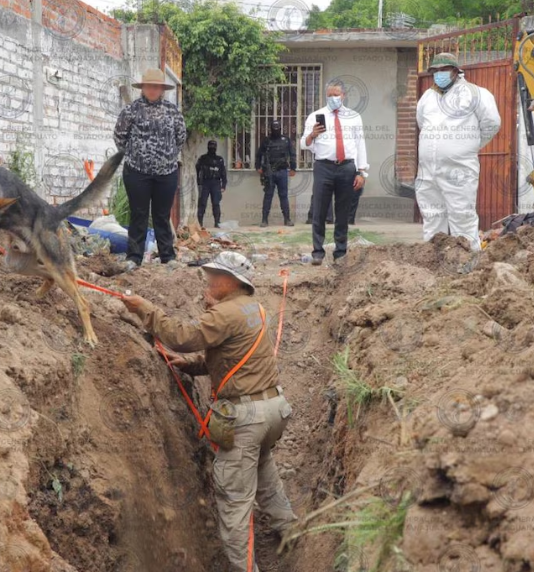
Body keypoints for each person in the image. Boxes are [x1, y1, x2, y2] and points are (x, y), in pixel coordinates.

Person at [122, 252, 297, 572]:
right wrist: (189, 365)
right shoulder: (253, 308)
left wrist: (145, 309)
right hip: (273, 409)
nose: (208, 281)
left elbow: (182, 336)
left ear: (231, 282)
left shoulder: (225, 312)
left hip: (247, 418)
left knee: (235, 501)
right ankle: (290, 530)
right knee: (263, 470)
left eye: (214, 276)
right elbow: (233, 358)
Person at [416, 52, 501, 251]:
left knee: (462, 216)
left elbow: (492, 123)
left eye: (444, 69)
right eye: (435, 71)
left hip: (459, 169)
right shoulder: (427, 97)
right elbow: (422, 124)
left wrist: (467, 147)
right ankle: (434, 260)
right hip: (427, 170)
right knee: (432, 217)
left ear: (455, 71)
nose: (439, 74)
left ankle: (467, 262)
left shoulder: (475, 94)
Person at [114, 68, 188, 271]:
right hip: (137, 172)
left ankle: (168, 257)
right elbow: (119, 137)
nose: (153, 90)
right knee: (138, 214)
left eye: (156, 87)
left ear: (162, 89)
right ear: (143, 88)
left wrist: (166, 156)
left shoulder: (172, 112)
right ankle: (134, 257)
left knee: (162, 215)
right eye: (149, 86)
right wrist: (135, 155)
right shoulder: (131, 111)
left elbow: (181, 137)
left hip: (167, 173)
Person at [300, 80, 368, 265]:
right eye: (329, 95)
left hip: (347, 167)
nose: (332, 98)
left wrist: (361, 172)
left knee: (342, 211)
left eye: (336, 95)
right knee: (319, 210)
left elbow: (360, 144)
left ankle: (340, 252)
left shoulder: (354, 117)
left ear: (343, 95)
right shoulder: (315, 116)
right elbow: (303, 144)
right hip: (324, 167)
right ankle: (318, 252)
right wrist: (313, 134)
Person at [256, 119, 296, 227]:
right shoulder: (266, 141)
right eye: (274, 128)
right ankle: (264, 220)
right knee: (268, 196)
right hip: (270, 172)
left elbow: (292, 154)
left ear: (280, 128)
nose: (276, 130)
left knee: (283, 196)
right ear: (271, 129)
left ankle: (287, 219)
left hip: (282, 171)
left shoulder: (286, 140)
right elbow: (259, 154)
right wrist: (258, 167)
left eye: (277, 128)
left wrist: (293, 168)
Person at [196, 139, 227, 228]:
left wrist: (223, 185)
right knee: (202, 203)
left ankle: (217, 222)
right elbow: (197, 170)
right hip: (205, 183)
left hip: (216, 183)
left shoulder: (219, 159)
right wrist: (199, 182)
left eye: (213, 146)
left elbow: (223, 173)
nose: (212, 148)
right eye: (210, 146)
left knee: (216, 203)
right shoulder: (203, 158)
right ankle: (200, 223)